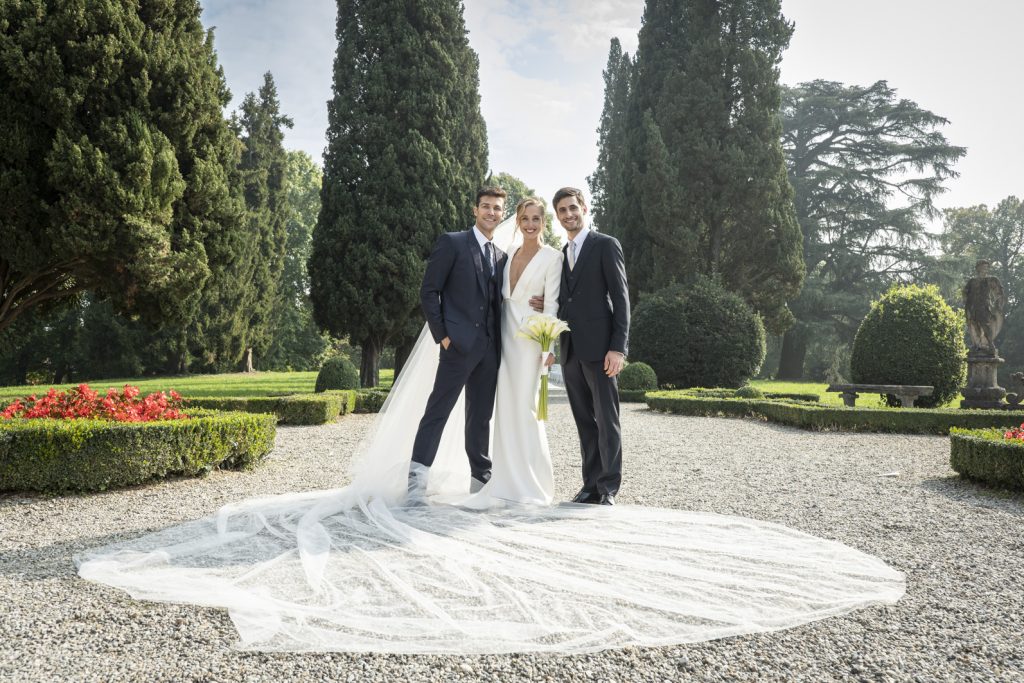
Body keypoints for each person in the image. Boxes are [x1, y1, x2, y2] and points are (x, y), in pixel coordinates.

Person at [409, 186, 508, 497]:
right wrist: (444, 337)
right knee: (437, 412)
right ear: (475, 210)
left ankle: (480, 483)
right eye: (486, 206)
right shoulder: (452, 243)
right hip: (458, 347)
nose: (491, 212)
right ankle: (415, 484)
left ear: (502, 213)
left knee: (480, 418)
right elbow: (429, 291)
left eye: (497, 208)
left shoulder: (501, 256)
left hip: (490, 351)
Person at [463, 196, 562, 508]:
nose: (530, 224)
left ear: (543, 223)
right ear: (517, 222)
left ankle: (534, 484)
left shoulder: (552, 257)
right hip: (504, 338)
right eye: (525, 219)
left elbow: (553, 302)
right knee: (506, 410)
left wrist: (549, 347)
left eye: (536, 219)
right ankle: (504, 482)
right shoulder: (507, 255)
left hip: (532, 341)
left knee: (529, 410)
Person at [551, 187, 629, 506]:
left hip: (601, 350)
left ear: (583, 207)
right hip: (570, 351)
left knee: (606, 420)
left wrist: (618, 348)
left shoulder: (605, 245)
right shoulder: (560, 253)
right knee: (584, 421)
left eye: (573, 208)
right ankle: (590, 485)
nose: (569, 214)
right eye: (562, 211)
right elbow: (565, 300)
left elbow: (621, 298)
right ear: (557, 216)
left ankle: (609, 487)